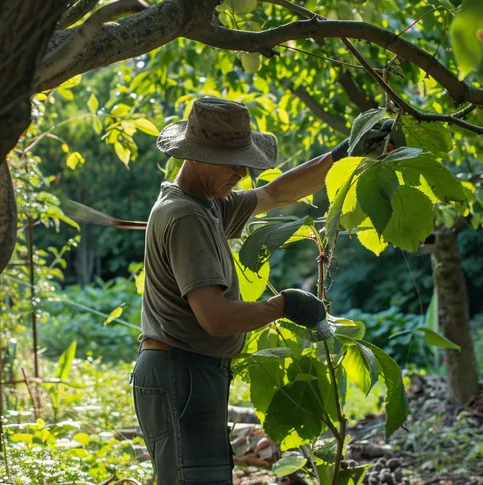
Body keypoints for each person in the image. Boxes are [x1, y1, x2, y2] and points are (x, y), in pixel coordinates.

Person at [131, 97, 392, 484]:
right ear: (197, 156)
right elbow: (216, 318)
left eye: (244, 159)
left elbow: (274, 195)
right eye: (231, 160)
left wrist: (344, 153)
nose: (242, 171)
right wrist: (282, 305)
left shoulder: (206, 204)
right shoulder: (187, 215)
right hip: (180, 373)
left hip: (188, 372)